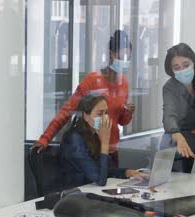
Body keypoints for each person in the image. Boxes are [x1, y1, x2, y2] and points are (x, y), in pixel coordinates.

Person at [33, 30, 135, 166]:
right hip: (92, 150)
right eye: (121, 56)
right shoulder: (93, 80)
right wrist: (45, 139)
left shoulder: (124, 83)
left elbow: (121, 121)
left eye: (128, 57)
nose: (125, 61)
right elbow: (66, 111)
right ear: (111, 55)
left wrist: (127, 113)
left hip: (112, 150)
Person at [60, 93, 148, 187]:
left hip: (89, 190)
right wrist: (105, 143)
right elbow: (100, 180)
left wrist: (129, 172)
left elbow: (105, 170)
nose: (104, 118)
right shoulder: (74, 139)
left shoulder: (93, 133)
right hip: (72, 194)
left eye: (106, 113)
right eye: (99, 113)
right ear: (85, 116)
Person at [161, 43, 195, 173]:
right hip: (175, 148)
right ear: (171, 70)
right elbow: (169, 114)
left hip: (194, 145)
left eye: (185, 65)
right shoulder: (170, 87)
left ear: (193, 63)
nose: (182, 70)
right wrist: (177, 136)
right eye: (176, 67)